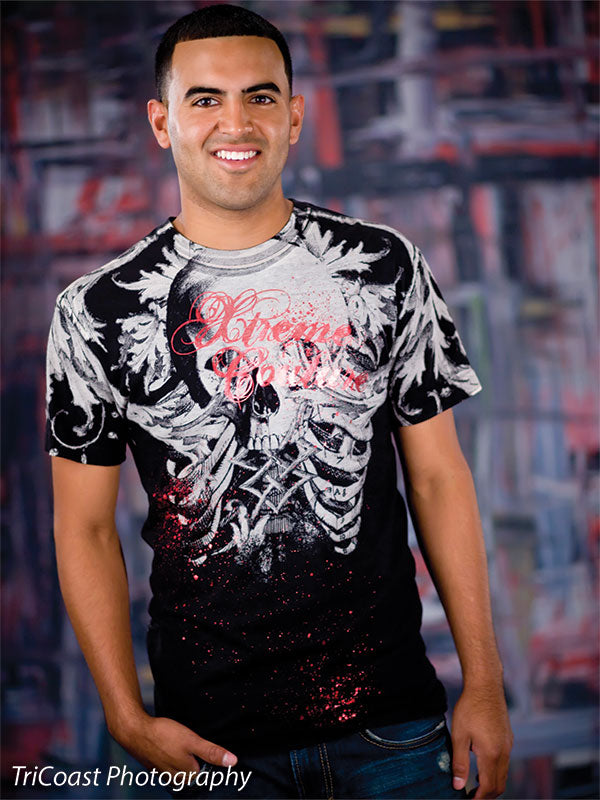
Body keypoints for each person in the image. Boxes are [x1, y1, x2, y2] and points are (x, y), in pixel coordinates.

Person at [45, 5, 512, 799]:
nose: (236, 123)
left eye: (260, 97)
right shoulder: (96, 311)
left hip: (395, 727)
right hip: (211, 744)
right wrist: (126, 716)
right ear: (161, 122)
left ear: (294, 116)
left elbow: (438, 478)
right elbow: (83, 526)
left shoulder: (384, 268)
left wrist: (486, 684)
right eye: (205, 99)